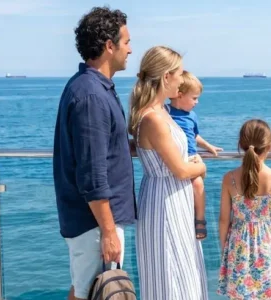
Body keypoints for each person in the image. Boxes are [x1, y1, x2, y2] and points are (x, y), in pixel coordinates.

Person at [52, 6, 133, 300]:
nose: (130, 50)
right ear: (109, 46)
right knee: (92, 292)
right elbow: (92, 172)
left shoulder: (93, 88)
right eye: (126, 42)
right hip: (94, 224)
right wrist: (108, 231)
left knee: (89, 290)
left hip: (94, 222)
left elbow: (103, 150)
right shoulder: (91, 95)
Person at [130, 45, 208, 300]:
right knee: (171, 274)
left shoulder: (161, 111)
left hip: (172, 198)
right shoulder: (153, 118)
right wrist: (201, 165)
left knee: (179, 272)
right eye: (179, 73)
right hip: (165, 201)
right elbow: (181, 169)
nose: (181, 79)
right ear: (166, 77)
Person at [217, 119, 271, 299]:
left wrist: (225, 248)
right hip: (268, 244)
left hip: (238, 244)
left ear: (241, 145)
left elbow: (224, 219)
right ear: (269, 146)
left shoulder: (229, 178)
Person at [165, 70, 223, 240]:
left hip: (190, 158)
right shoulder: (165, 112)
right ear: (179, 95)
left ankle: (199, 218)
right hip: (174, 158)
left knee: (197, 184)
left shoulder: (192, 116)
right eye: (194, 98)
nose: (197, 102)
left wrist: (208, 146)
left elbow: (194, 135)